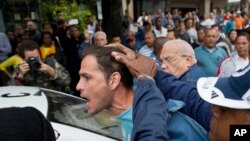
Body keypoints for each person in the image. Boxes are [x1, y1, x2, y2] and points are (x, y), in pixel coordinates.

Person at [110, 43, 249, 141]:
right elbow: (192, 100)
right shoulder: (235, 130)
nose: (213, 109)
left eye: (224, 108)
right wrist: (150, 71)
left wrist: (146, 82)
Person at [76, 46, 208, 141]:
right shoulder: (95, 125)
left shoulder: (175, 128)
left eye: (87, 77)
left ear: (113, 80)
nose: (78, 86)